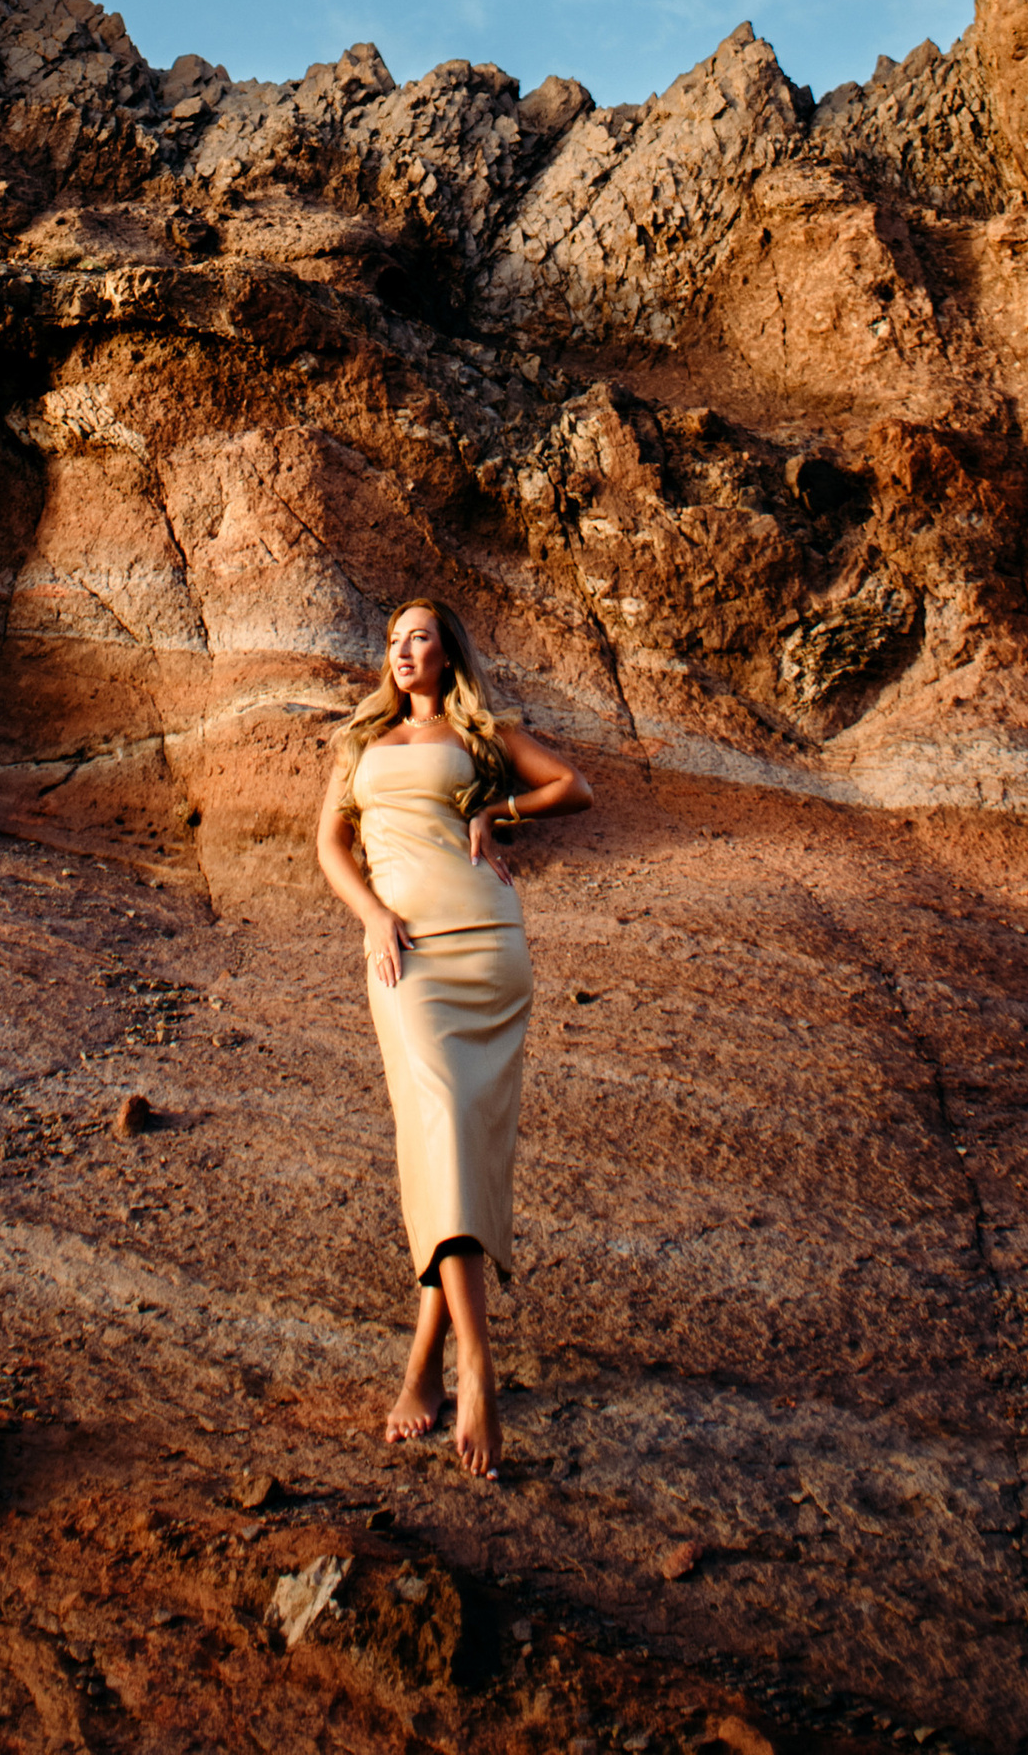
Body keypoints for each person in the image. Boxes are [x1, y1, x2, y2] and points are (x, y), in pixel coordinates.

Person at [315, 594, 594, 1479]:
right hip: (405, 955)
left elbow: (575, 788)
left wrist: (497, 815)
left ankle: (442, 1365)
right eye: (393, 639)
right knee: (437, 1127)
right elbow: (329, 845)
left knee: (457, 1149)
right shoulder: (358, 742)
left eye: (419, 637)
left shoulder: (481, 733)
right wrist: (370, 917)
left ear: (448, 653)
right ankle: (467, 1361)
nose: (403, 650)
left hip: (487, 944)